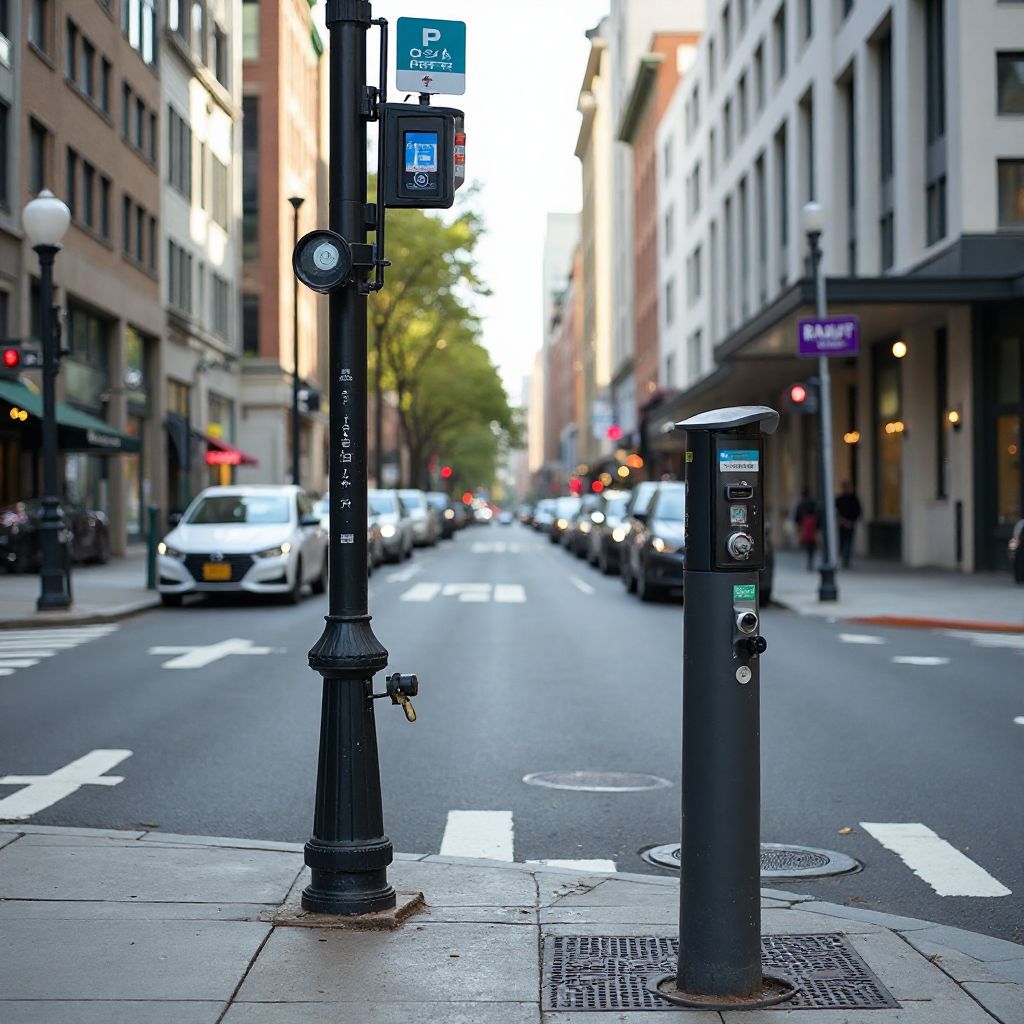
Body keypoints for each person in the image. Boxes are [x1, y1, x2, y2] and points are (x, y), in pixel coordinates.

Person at [835, 480, 863, 569]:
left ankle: (846, 559)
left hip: (851, 524)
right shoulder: (839, 499)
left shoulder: (854, 499)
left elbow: (858, 511)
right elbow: (836, 512)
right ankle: (844, 558)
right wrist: (842, 520)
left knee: (849, 542)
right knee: (843, 542)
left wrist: (852, 522)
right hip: (842, 524)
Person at [793, 489, 819, 572]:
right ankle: (810, 560)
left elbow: (797, 517)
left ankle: (809, 560)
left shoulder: (801, 504)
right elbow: (818, 514)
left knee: (807, 543)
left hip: (804, 526)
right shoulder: (813, 503)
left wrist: (798, 525)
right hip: (812, 526)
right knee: (811, 543)